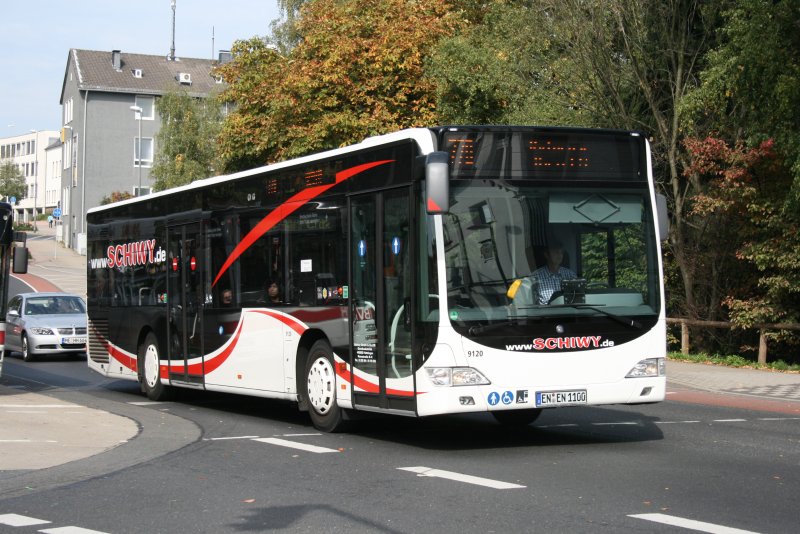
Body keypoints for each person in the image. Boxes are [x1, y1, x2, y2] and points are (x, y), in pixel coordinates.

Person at [532, 239, 577, 304]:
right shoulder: (535, 277)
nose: (560, 255)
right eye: (556, 252)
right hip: (544, 313)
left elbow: (576, 299)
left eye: (561, 252)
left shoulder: (571, 275)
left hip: (567, 312)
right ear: (546, 254)